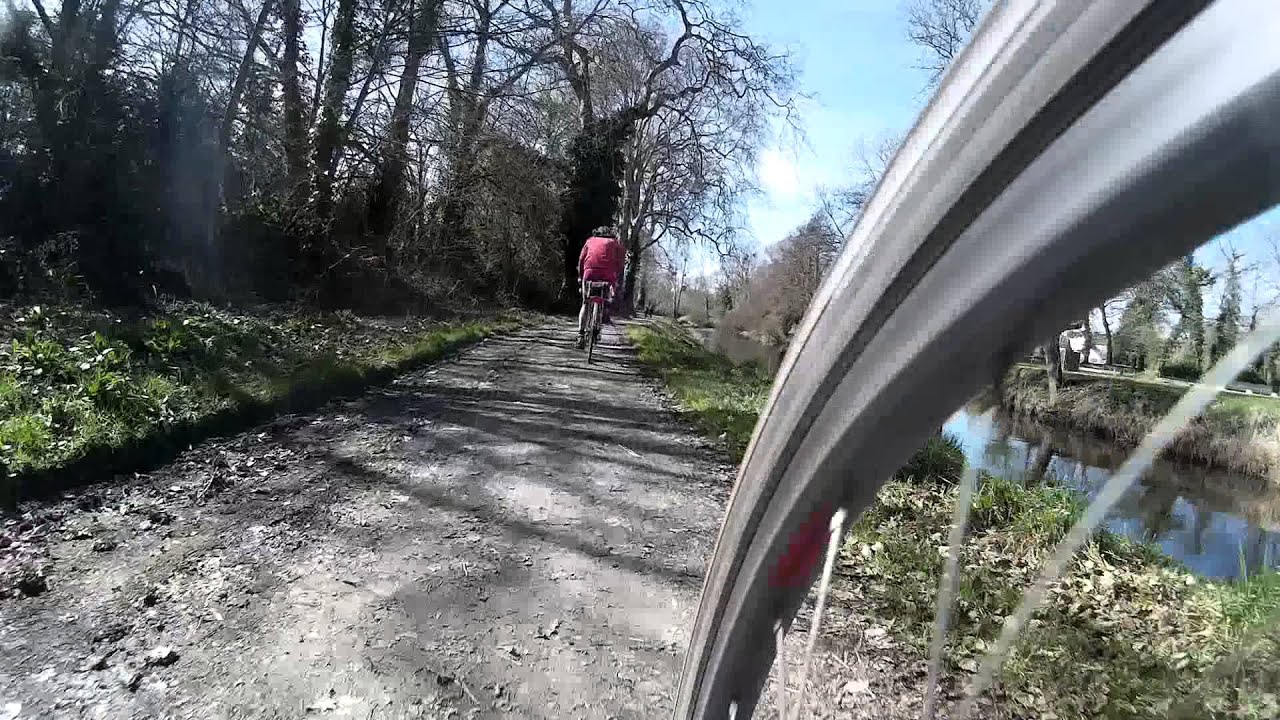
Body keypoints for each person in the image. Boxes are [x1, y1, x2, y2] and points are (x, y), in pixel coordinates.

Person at [577, 225, 625, 348]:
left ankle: (580, 335)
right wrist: (617, 278)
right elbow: (620, 263)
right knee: (605, 297)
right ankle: (603, 313)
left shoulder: (590, 240)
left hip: (590, 272)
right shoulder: (615, 243)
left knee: (585, 303)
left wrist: (580, 276)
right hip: (608, 275)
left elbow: (581, 260)